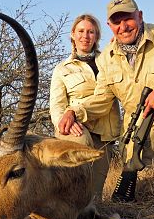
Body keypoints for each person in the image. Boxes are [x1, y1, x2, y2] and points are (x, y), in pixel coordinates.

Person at [58, 0, 154, 202]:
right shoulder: (106, 58)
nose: (123, 27)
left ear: (140, 16)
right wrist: (75, 111)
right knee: (130, 164)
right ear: (109, 25)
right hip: (144, 122)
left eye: (128, 19)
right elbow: (102, 98)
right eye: (117, 22)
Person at [49, 14, 121, 200]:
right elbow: (57, 106)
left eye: (91, 32)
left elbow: (107, 97)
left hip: (104, 134)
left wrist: (119, 47)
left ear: (96, 36)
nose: (85, 36)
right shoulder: (62, 69)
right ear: (73, 34)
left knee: (93, 198)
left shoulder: (109, 60)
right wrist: (64, 122)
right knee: (75, 188)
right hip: (77, 128)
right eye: (81, 31)